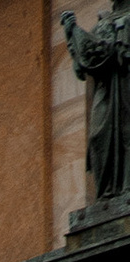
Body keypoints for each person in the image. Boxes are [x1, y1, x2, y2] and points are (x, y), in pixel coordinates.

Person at [65, 10, 130, 211]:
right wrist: (72, 35)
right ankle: (107, 194)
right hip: (105, 91)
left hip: (126, 86)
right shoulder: (102, 23)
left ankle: (126, 189)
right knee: (97, 137)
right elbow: (85, 66)